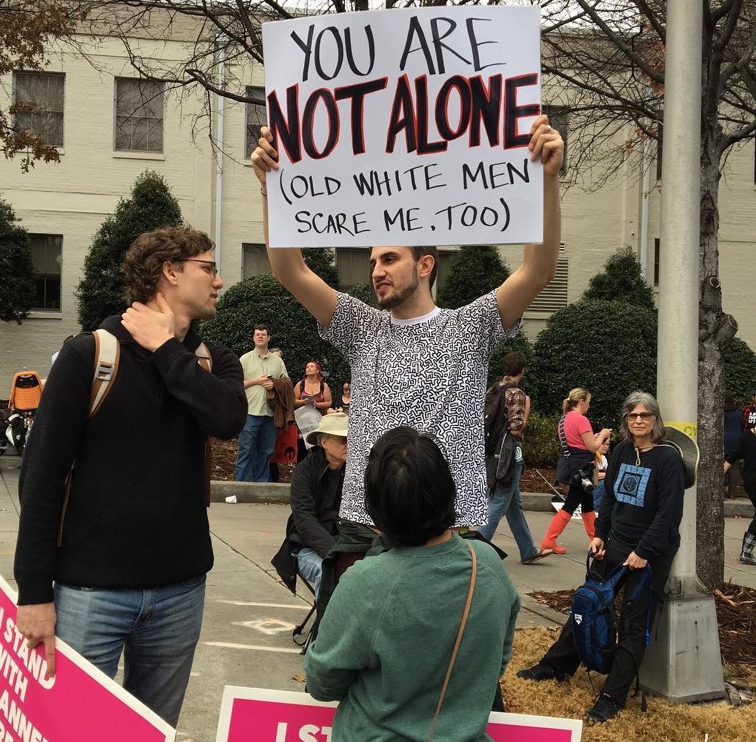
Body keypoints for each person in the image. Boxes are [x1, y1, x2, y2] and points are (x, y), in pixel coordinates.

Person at [250, 115, 563, 532]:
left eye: (390, 259)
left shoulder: (471, 326)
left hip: (449, 529)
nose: (376, 270)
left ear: (425, 265)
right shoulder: (360, 326)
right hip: (369, 526)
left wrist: (545, 179)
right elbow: (291, 270)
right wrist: (270, 187)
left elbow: (537, 270)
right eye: (373, 260)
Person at [13, 227, 247, 726]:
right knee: (72, 738)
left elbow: (227, 418)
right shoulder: (90, 356)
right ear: (170, 271)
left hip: (180, 592)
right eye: (208, 268)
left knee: (151, 738)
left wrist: (166, 348)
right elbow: (40, 481)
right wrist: (33, 593)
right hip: (89, 595)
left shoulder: (212, 361)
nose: (219, 281)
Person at [305, 426, 519, 742]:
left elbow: (322, 682)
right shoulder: (488, 565)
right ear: (448, 491)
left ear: (375, 507)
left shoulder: (366, 581)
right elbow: (497, 663)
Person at [518, 392, 685, 725]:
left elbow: (669, 514)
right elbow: (606, 496)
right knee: (588, 604)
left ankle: (613, 695)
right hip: (614, 544)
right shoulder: (622, 451)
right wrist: (600, 534)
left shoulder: (668, 459)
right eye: (633, 415)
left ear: (655, 419)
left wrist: (644, 552)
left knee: (633, 624)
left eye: (646, 415)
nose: (639, 420)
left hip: (649, 555)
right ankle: (557, 665)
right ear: (626, 419)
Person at [478, 351, 552, 565]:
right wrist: (526, 409)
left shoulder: (494, 389)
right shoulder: (516, 393)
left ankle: (528, 550)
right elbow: (516, 428)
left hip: (494, 452)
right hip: (510, 454)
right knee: (500, 500)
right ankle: (475, 549)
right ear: (523, 370)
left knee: (514, 505)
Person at [277, 412, 348, 596]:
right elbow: (304, 520)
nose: (349, 445)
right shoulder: (304, 471)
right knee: (326, 570)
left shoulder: (354, 471)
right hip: (306, 545)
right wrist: (334, 553)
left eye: (351, 439)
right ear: (324, 443)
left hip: (343, 541)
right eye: (343, 440)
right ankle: (325, 624)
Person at [540, 388, 612, 554]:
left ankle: (596, 538)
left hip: (572, 465)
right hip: (583, 467)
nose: (589, 405)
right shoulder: (582, 420)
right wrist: (603, 435)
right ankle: (549, 540)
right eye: (588, 402)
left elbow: (576, 443)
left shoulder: (564, 419)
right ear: (581, 402)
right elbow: (593, 447)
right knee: (571, 504)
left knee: (587, 504)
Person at [235, 324, 289, 482]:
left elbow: (287, 383)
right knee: (245, 451)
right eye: (257, 334)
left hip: (270, 414)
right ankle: (240, 486)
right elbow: (236, 383)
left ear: (268, 338)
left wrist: (275, 385)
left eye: (263, 334)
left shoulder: (277, 361)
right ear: (253, 338)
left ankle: (262, 486)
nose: (260, 336)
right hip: (250, 412)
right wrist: (256, 381)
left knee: (266, 452)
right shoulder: (244, 359)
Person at [724, 423, 756, 565]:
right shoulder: (746, 437)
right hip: (753, 481)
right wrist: (721, 472)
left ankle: (747, 551)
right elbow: (733, 456)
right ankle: (746, 551)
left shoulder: (746, 436)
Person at [723, 391, 742, 498]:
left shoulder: (719, 413)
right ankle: (732, 493)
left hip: (723, 442)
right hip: (736, 442)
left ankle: (720, 492)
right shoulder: (738, 413)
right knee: (734, 468)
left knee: (721, 467)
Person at [592, 434, 611, 513]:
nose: (606, 446)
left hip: (599, 485)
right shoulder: (591, 456)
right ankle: (594, 509)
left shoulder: (603, 458)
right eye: (604, 444)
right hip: (592, 486)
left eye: (607, 444)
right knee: (604, 484)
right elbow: (593, 476)